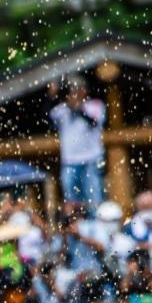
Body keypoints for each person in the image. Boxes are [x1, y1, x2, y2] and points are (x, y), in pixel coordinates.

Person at [48, 76, 105, 212]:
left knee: (94, 199)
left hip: (92, 159)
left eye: (77, 89)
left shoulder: (95, 105)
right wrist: (52, 96)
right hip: (70, 161)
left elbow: (93, 122)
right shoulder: (62, 110)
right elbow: (47, 116)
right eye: (71, 91)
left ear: (84, 90)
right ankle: (76, 229)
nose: (74, 93)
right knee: (72, 200)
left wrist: (77, 108)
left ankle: (95, 228)